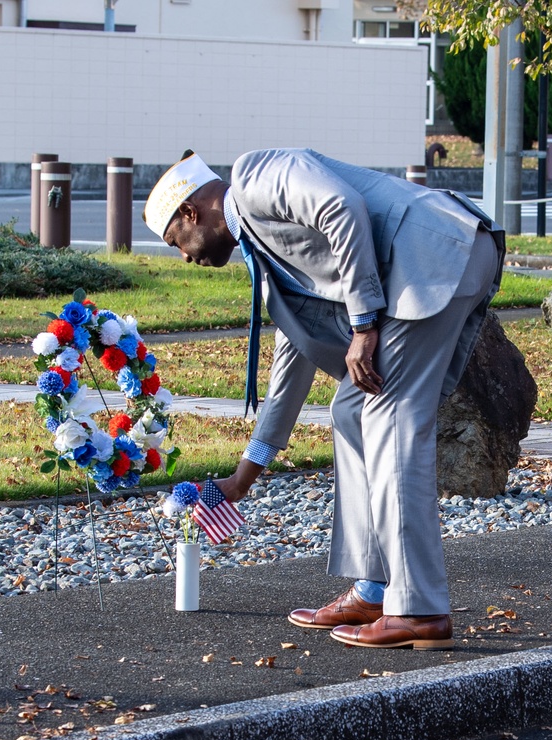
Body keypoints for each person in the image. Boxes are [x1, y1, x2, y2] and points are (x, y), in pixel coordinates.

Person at [144, 148, 504, 650]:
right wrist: (242, 479)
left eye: (175, 240)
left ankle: (418, 608)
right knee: (351, 410)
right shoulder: (266, 258)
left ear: (190, 213)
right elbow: (291, 365)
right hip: (430, 264)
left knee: (389, 416)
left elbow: (341, 207)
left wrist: (362, 325)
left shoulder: (255, 176)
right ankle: (377, 590)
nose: (184, 254)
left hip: (433, 254)